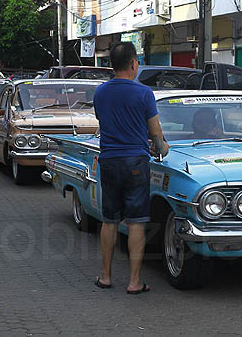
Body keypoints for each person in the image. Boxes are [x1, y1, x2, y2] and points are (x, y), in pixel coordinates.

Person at [93, 41, 169, 294]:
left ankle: (105, 277)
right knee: (136, 222)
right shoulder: (144, 93)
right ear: (134, 63)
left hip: (109, 161)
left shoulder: (100, 93)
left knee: (109, 220)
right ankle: (134, 282)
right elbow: (155, 131)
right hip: (135, 162)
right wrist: (161, 146)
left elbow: (106, 122)